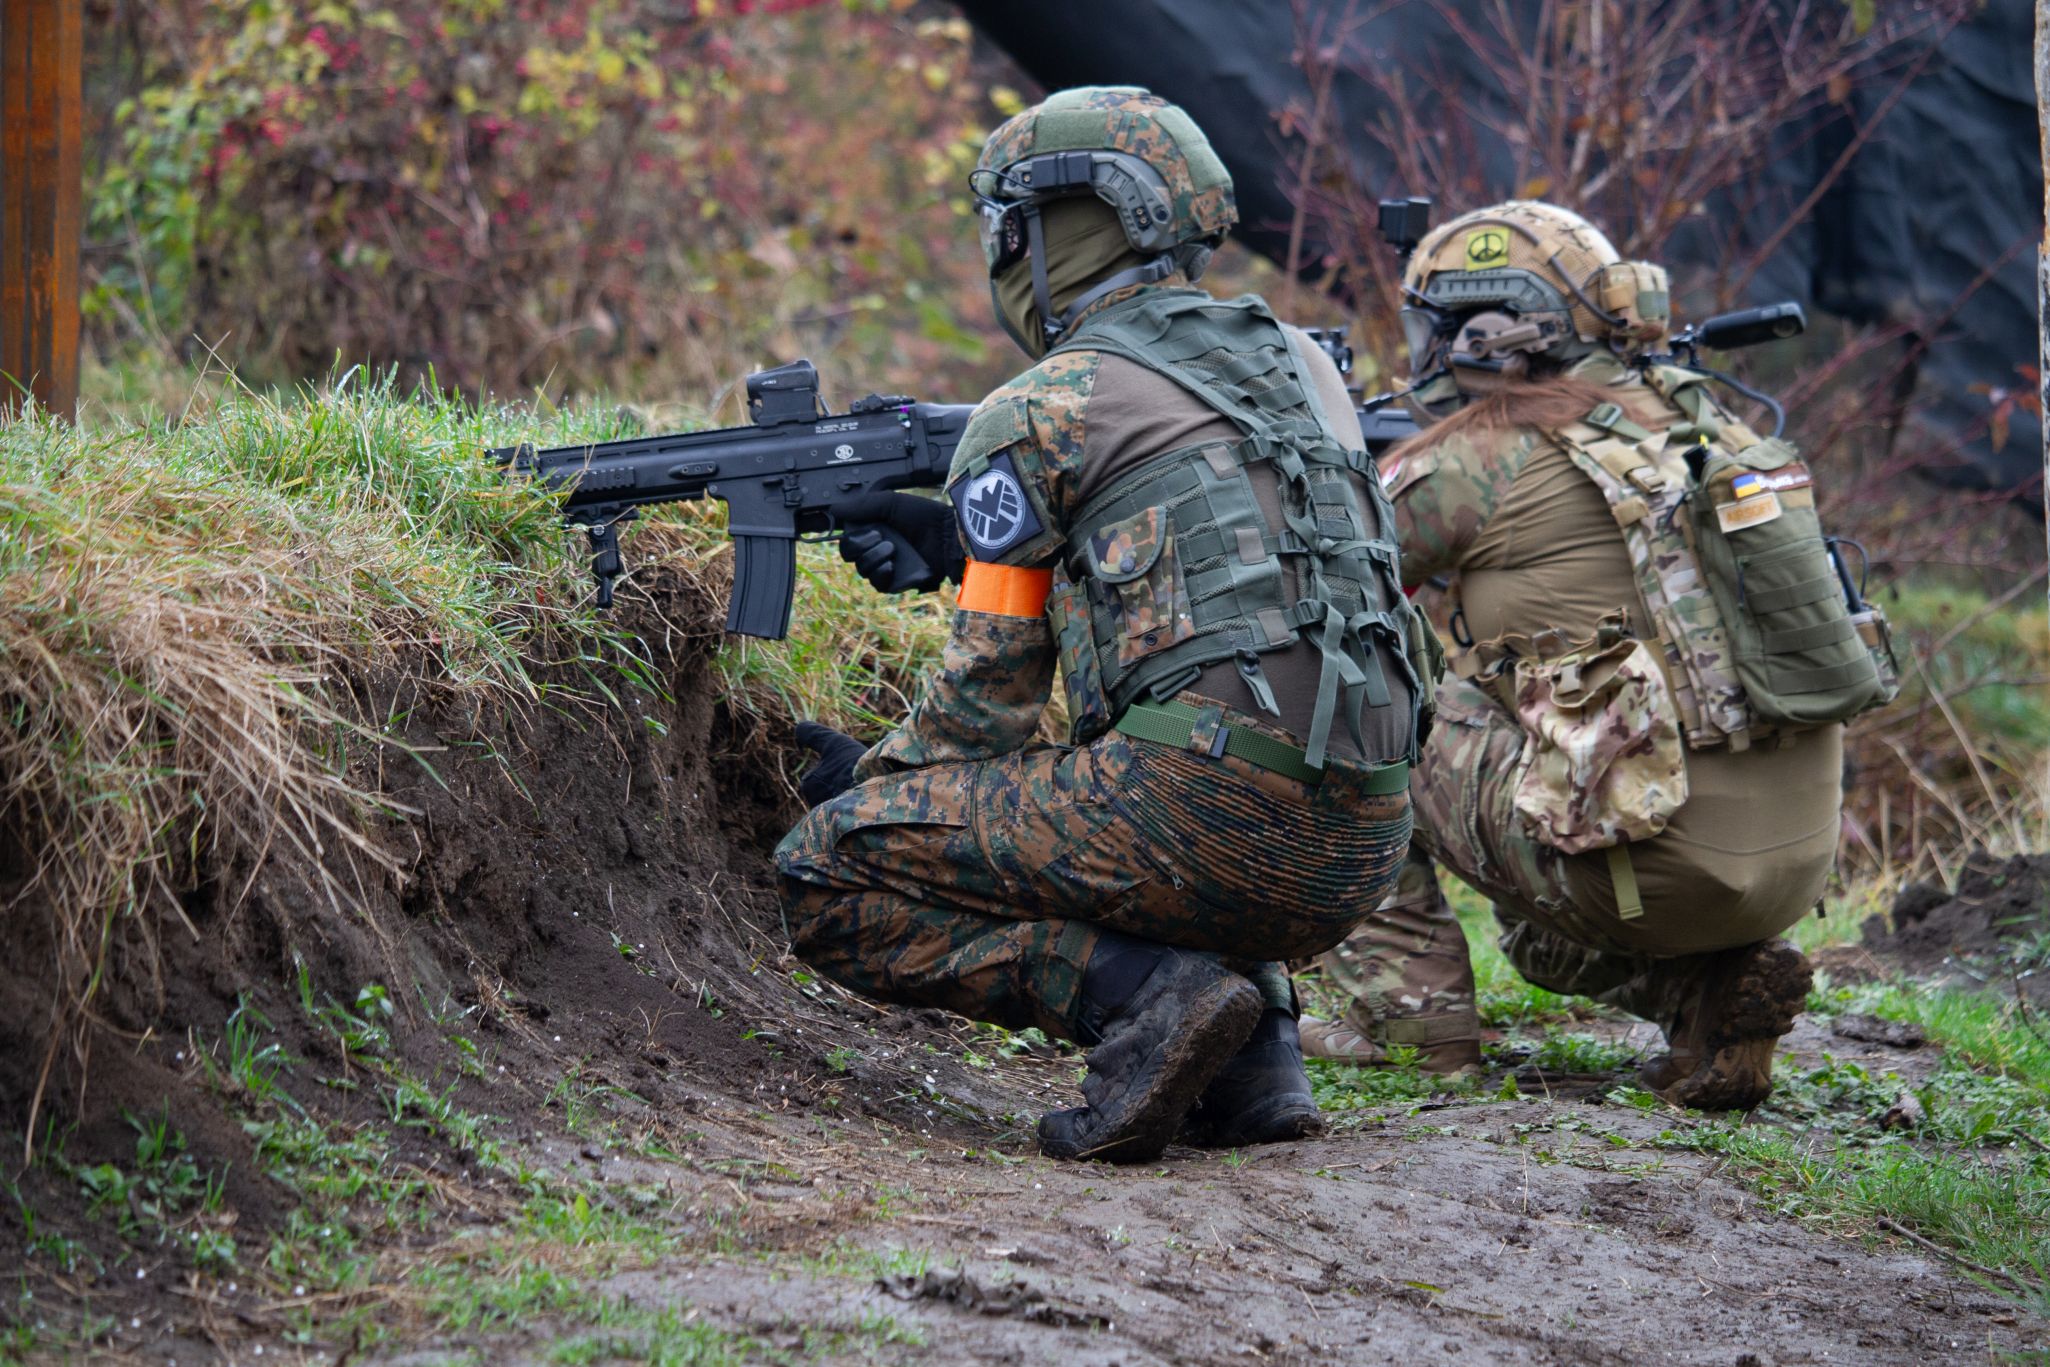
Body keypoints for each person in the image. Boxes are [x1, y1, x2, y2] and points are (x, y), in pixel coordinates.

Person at [775, 87, 1431, 1163]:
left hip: (1202, 821)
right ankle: (1260, 1059)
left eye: (1007, 229)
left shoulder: (1042, 403)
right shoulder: (1309, 372)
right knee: (1171, 759)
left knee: (823, 866)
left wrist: (872, 786)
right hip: (1367, 843)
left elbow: (981, 709)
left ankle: (1147, 1002)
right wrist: (957, 542)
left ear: (1047, 233)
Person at [1301, 201, 1895, 1109]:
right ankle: (1702, 994)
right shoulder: (1716, 429)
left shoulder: (1480, 456)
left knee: (1358, 706)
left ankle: (1406, 1023)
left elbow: (1316, 578)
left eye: (1439, 328)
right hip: (1789, 866)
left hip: (1642, 871)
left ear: (1489, 335)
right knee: (1535, 933)